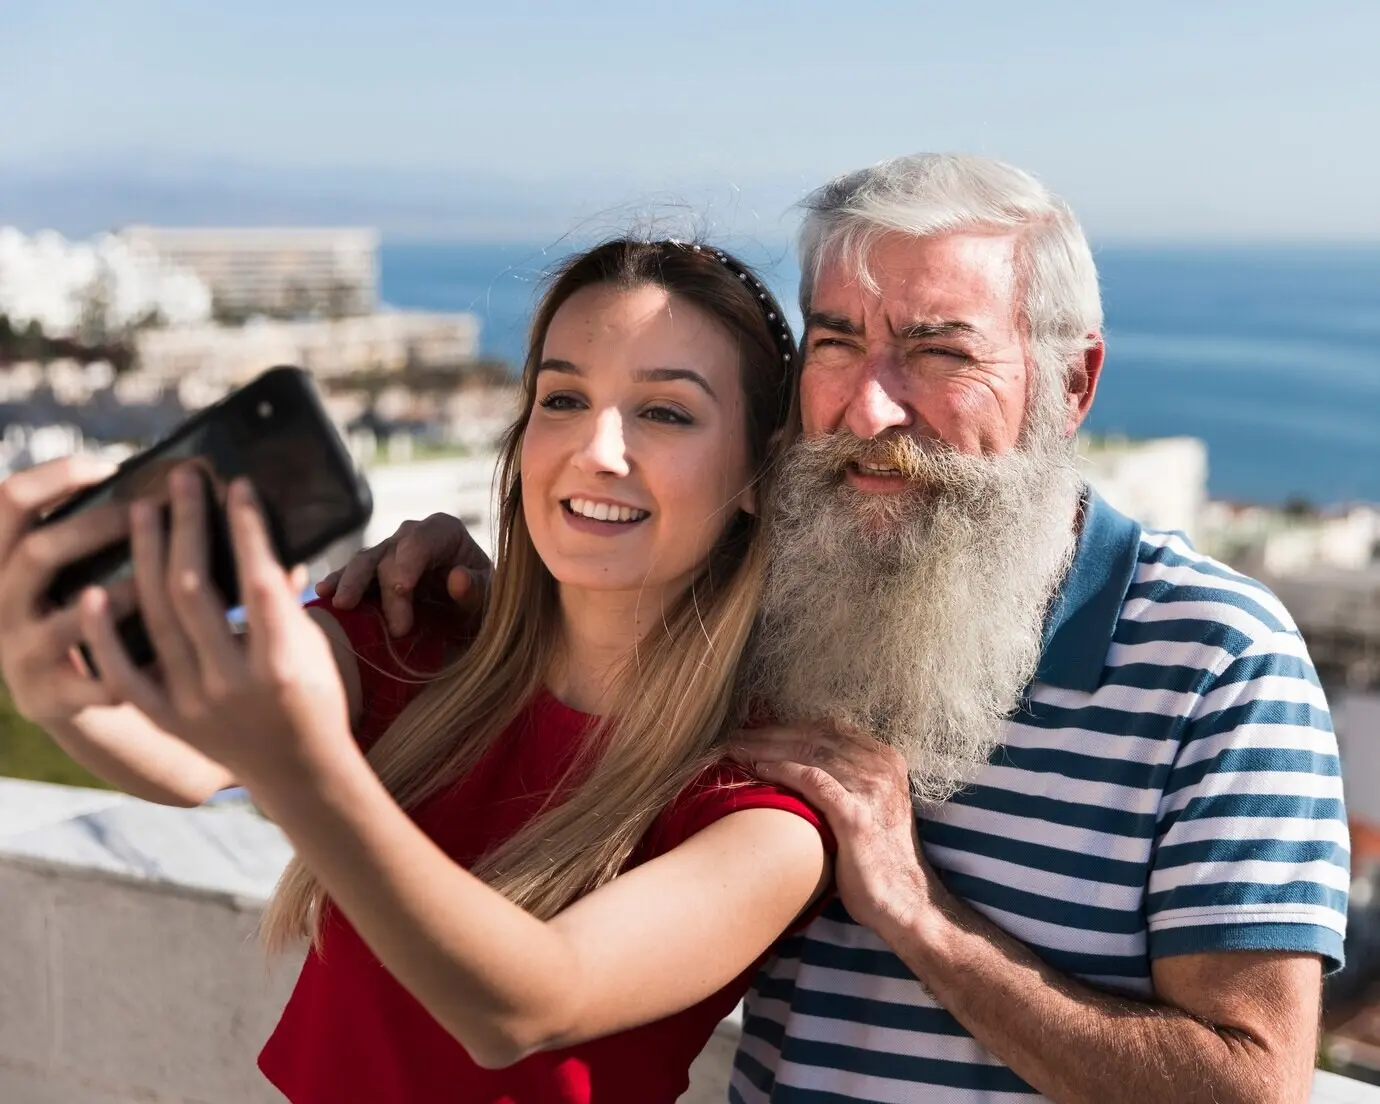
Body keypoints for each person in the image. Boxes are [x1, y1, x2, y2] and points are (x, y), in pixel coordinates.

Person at [331, 154, 1350, 1103]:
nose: (869, 409)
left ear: (1072, 383)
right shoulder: (793, 588)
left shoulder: (1215, 661)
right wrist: (477, 581)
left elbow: (1250, 1085)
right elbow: (604, 583)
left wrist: (918, 914)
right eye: (836, 342)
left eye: (938, 352)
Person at [0, 239, 838, 1103]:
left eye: (664, 412)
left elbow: (521, 1006)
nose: (597, 448)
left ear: (757, 473)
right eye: (563, 397)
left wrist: (300, 769)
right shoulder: (414, 631)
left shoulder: (764, 809)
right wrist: (49, 681)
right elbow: (178, 760)